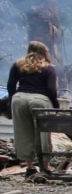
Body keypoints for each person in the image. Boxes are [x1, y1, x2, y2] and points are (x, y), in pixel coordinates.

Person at [6, 40, 59, 178]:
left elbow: (11, 85)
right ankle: (45, 168)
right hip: (40, 101)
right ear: (45, 53)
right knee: (43, 134)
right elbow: (52, 90)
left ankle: (30, 167)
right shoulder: (48, 68)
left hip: (19, 99)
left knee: (23, 133)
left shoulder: (18, 65)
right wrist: (55, 105)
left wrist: (13, 99)